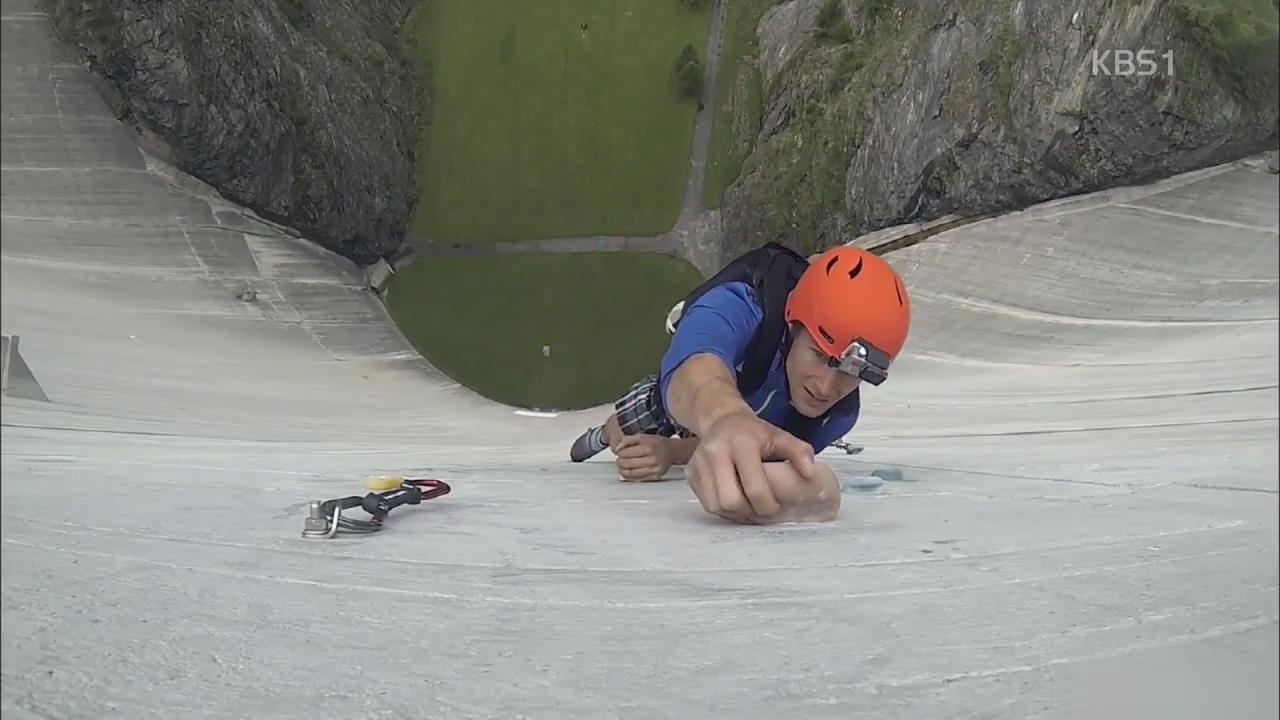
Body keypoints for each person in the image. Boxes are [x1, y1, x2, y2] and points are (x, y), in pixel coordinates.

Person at [569, 242, 912, 524]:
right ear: (793, 325)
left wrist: (673, 451)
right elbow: (696, 365)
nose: (825, 387)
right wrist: (725, 419)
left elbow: (763, 458)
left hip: (736, 416)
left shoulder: (837, 416)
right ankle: (604, 433)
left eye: (851, 372)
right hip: (685, 404)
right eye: (820, 355)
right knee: (626, 428)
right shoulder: (740, 305)